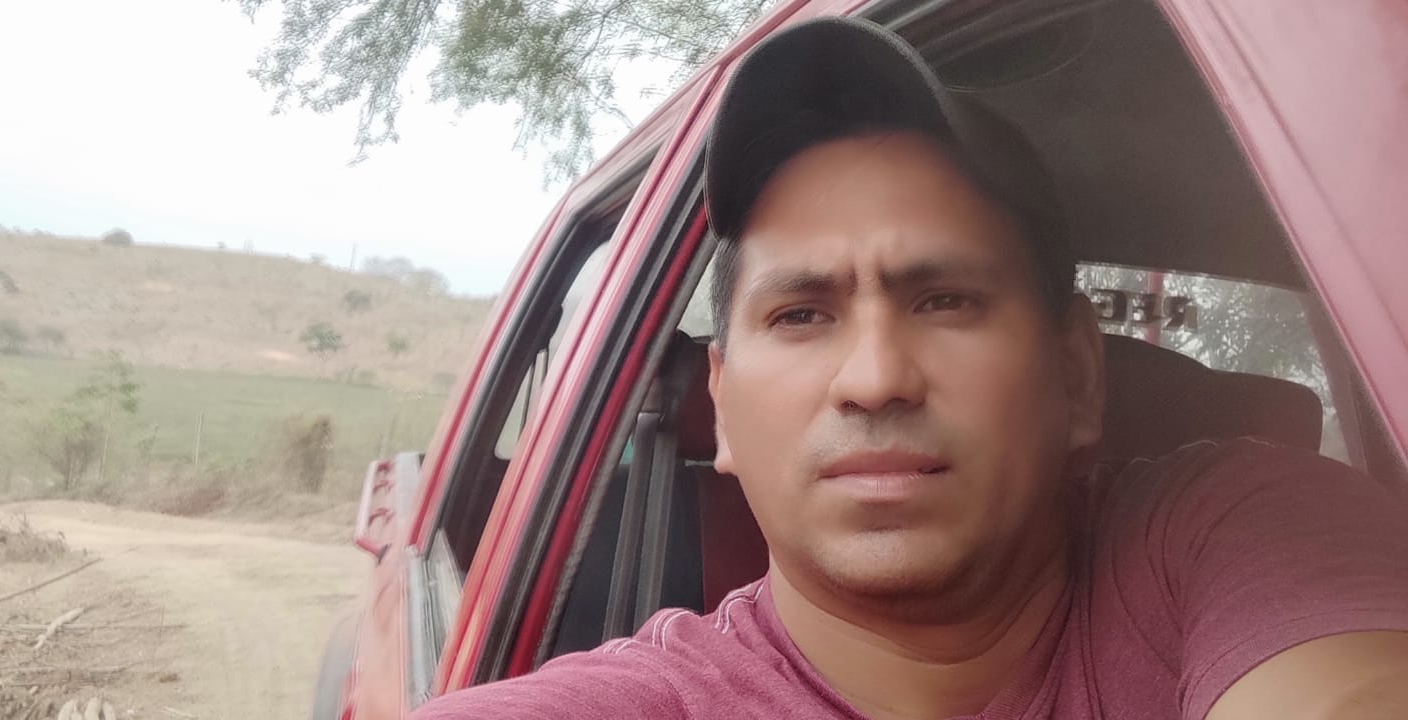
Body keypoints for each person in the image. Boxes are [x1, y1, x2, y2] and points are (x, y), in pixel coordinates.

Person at [413, 16, 1408, 720]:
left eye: (946, 301)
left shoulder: (1236, 530)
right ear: (721, 406)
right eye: (801, 314)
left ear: (1076, 374)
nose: (876, 377)